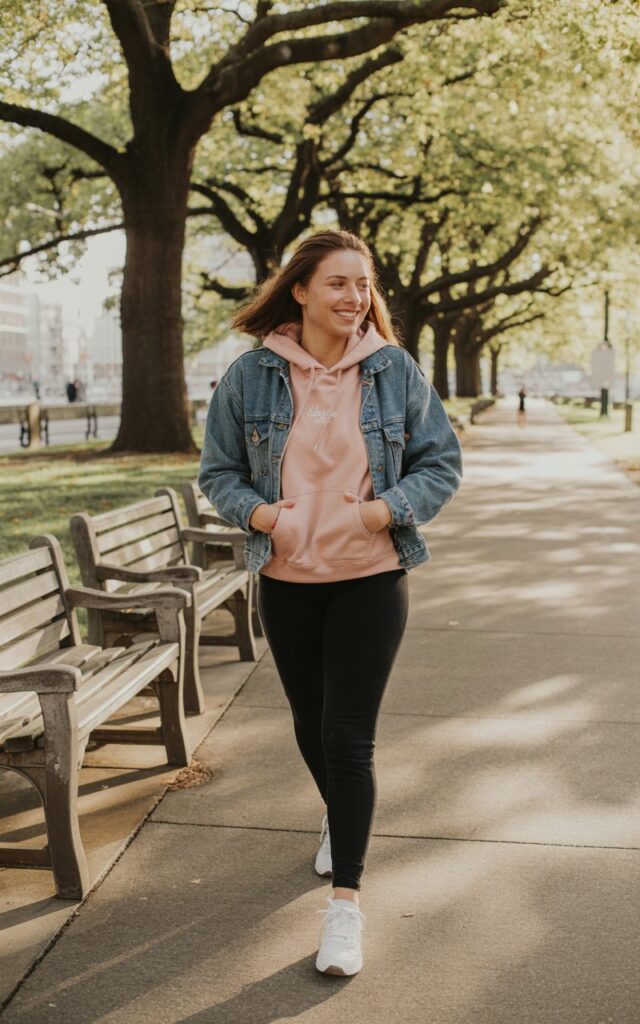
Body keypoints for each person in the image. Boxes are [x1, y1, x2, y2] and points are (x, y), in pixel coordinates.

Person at [199, 230, 462, 977]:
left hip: (371, 576)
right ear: (301, 290)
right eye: (338, 283)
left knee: (349, 738)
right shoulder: (251, 376)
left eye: (362, 284)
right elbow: (218, 472)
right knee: (311, 724)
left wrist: (384, 511)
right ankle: (340, 816)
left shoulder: (392, 370)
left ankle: (345, 907)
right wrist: (262, 515)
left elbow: (441, 461)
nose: (354, 297)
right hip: (287, 581)